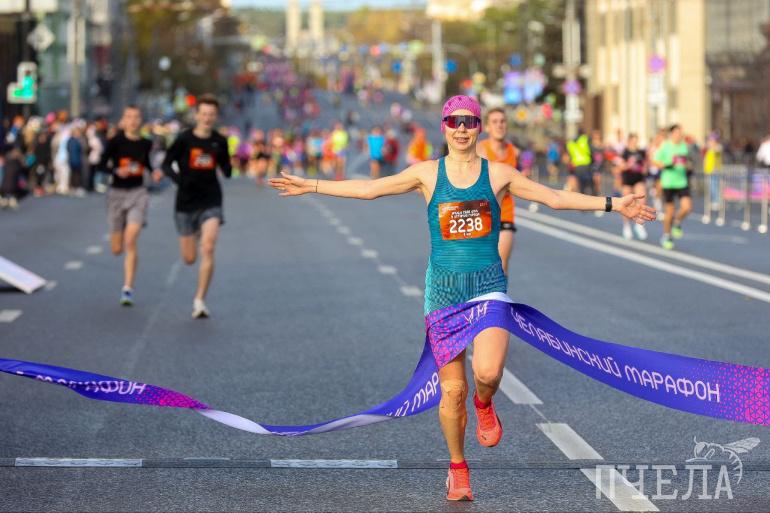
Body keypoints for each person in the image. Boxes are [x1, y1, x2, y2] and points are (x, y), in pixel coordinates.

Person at [269, 95, 655, 502]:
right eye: (454, 121)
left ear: (478, 127)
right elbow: (368, 189)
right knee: (452, 393)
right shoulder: (427, 174)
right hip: (444, 295)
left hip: (488, 288)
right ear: (444, 126)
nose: (461, 128)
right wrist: (310, 184)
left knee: (486, 374)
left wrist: (615, 204)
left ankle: (484, 403)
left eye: (469, 121)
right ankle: (458, 468)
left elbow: (554, 197)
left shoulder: (498, 173)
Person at [161, 95, 232, 318]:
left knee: (208, 247)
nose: (207, 118)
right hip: (186, 202)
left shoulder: (220, 141)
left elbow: (227, 169)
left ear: (216, 116)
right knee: (189, 258)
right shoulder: (184, 139)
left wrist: (225, 163)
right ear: (197, 115)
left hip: (211, 200)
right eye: (204, 114)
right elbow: (166, 164)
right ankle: (196, 234)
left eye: (211, 114)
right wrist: (179, 180)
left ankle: (199, 300)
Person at [100, 106, 156, 306]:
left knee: (131, 240)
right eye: (129, 117)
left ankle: (127, 289)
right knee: (117, 248)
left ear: (141, 120)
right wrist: (116, 170)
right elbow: (101, 164)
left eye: (136, 117)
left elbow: (146, 163)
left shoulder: (146, 143)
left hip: (138, 193)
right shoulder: (115, 142)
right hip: (116, 194)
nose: (133, 121)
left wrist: (155, 172)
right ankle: (121, 231)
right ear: (123, 120)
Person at [476, 107, 519, 275]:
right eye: (494, 122)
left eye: (502, 121)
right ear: (487, 127)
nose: (499, 125)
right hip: (481, 214)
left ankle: (499, 293)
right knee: (479, 268)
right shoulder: (479, 150)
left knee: (501, 266)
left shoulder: (514, 152)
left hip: (505, 212)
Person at [653, 124, 691, 250]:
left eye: (680, 133)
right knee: (669, 211)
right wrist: (665, 165)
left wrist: (687, 165)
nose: (679, 135)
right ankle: (667, 235)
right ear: (672, 134)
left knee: (687, 207)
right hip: (668, 183)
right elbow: (655, 160)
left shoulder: (684, 146)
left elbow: (686, 161)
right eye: (677, 133)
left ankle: (677, 221)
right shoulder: (665, 146)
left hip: (682, 182)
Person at [619, 134, 648, 240]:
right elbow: (621, 167)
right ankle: (626, 226)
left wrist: (644, 169)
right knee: (626, 204)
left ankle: (639, 224)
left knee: (642, 201)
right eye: (633, 141)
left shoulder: (641, 152)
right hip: (627, 179)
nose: (635, 143)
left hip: (638, 179)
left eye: (636, 141)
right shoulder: (625, 152)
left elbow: (645, 165)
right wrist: (629, 165)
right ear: (629, 141)